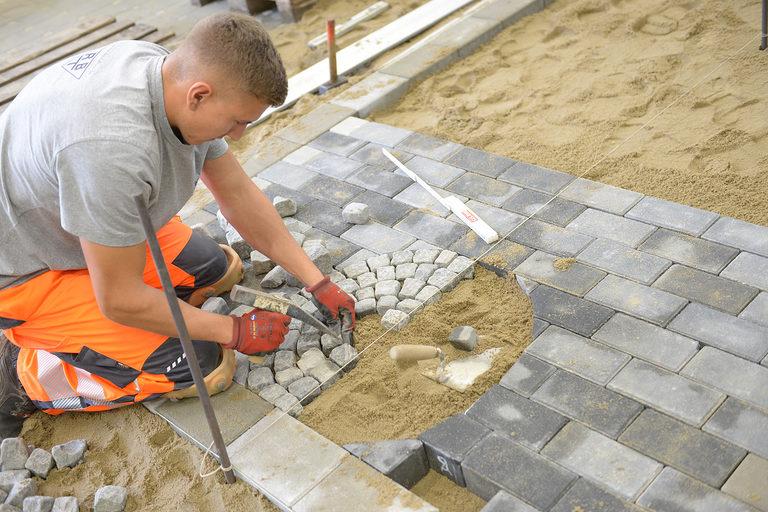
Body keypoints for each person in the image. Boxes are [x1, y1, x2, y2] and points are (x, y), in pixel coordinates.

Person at [0, 13, 355, 437]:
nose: (239, 135)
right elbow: (120, 299)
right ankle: (23, 372)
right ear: (199, 96)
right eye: (236, 122)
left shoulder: (166, 74)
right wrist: (234, 329)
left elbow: (238, 195)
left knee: (215, 269)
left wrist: (315, 281)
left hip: (76, 226)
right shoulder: (111, 151)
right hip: (25, 271)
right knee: (199, 365)